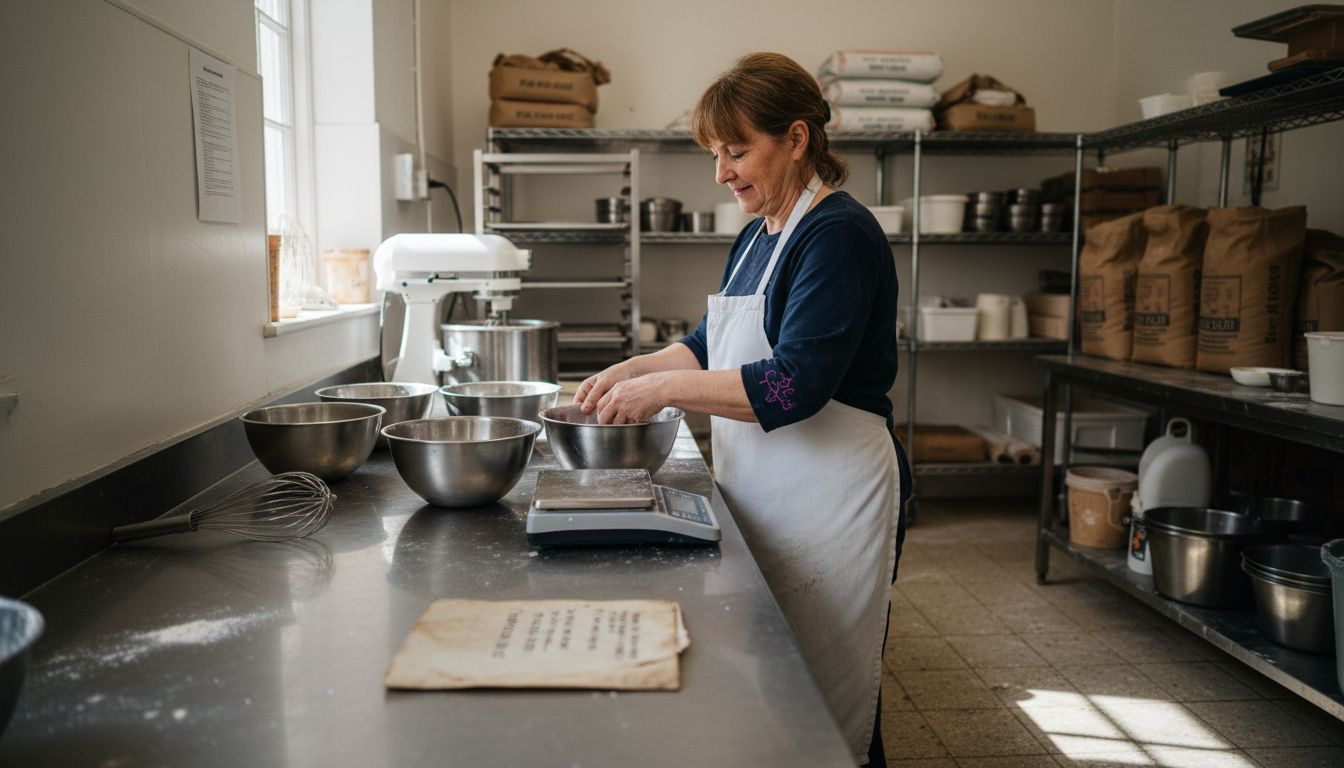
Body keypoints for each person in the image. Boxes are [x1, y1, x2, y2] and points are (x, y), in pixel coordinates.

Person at [573, 52, 909, 766]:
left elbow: (796, 383)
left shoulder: (836, 235)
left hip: (833, 497)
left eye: (736, 151)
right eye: (714, 155)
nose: (722, 173)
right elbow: (706, 345)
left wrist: (659, 393)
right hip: (767, 491)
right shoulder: (759, 234)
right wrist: (633, 370)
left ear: (795, 138)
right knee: (778, 688)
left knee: (834, 699)